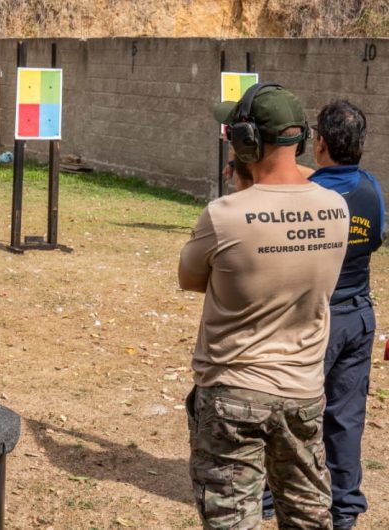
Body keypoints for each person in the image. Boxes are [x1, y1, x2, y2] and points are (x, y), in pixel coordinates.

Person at [179, 84, 350, 529]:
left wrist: (243, 186)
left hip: (233, 393)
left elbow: (192, 278)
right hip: (303, 392)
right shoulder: (337, 208)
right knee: (308, 519)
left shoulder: (225, 214)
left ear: (246, 141)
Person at [307, 100, 385, 529]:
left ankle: (268, 495)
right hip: (359, 316)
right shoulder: (371, 187)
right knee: (346, 417)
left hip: (317, 318)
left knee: (291, 410)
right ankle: (345, 509)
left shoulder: (310, 197)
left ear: (319, 144)